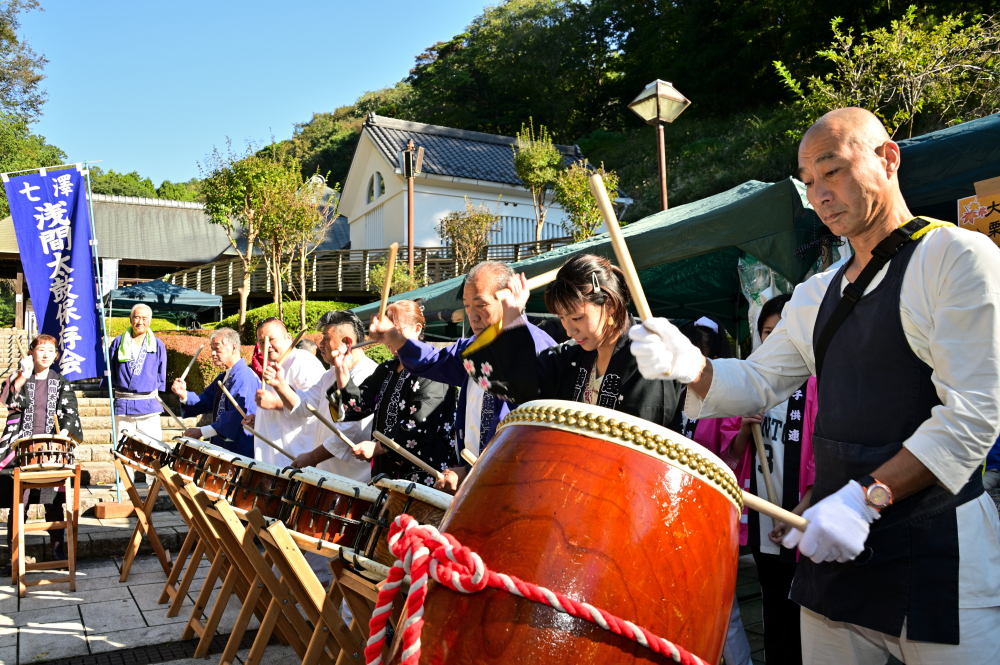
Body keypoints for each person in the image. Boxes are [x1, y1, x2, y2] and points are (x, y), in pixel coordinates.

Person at [630, 107, 1000, 664]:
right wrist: (690, 366)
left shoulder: (956, 257)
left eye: (833, 171)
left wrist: (865, 496)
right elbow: (758, 380)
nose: (820, 195)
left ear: (887, 157)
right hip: (832, 549)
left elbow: (974, 413)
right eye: (809, 183)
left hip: (937, 546)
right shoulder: (815, 291)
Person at [368, 261, 555, 492]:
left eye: (481, 305)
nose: (472, 316)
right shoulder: (472, 348)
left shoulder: (538, 346)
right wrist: (394, 338)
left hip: (516, 482)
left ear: (509, 298)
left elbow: (533, 431)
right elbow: (433, 360)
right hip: (474, 478)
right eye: (467, 306)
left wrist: (470, 472)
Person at [461, 253, 684, 427]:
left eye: (576, 317)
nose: (569, 330)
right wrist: (512, 320)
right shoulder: (572, 356)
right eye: (562, 318)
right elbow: (517, 387)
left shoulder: (649, 356)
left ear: (609, 305)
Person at [719, 293, 817, 665]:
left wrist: (797, 512)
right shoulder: (751, 387)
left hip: (802, 518)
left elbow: (822, 462)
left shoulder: (815, 383)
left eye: (782, 333)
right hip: (763, 521)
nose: (773, 340)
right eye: (767, 333)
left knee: (807, 615)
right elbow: (730, 458)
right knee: (773, 610)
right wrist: (744, 428)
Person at [328, 300, 457, 486]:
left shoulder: (433, 368)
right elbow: (351, 410)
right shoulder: (387, 369)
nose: (389, 337)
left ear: (417, 328)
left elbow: (421, 423)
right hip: (385, 472)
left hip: (423, 475)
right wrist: (342, 372)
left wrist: (378, 447)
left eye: (396, 330)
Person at [0, 334, 83, 564]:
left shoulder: (61, 382)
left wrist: (63, 435)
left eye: (50, 350)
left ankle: (58, 552)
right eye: (40, 349)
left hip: (51, 449)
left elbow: (71, 414)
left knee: (54, 501)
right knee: (19, 502)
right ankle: (13, 558)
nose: (45, 354)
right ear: (31, 352)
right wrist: (22, 375)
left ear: (56, 356)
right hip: (22, 449)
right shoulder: (20, 377)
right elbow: (7, 400)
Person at [269, 310, 378, 482]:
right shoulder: (330, 374)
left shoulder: (369, 375)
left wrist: (312, 457)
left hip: (353, 482)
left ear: (347, 342)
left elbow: (348, 431)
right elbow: (305, 405)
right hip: (326, 476)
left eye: (326, 338)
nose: (320, 344)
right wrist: (280, 385)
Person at [245, 318, 325, 466]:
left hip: (295, 459)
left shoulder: (303, 360)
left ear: (288, 337)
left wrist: (274, 403)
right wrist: (259, 419)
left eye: (271, 339)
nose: (266, 345)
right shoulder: (273, 365)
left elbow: (313, 407)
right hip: (272, 460)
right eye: (261, 342)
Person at [171, 327, 258, 457]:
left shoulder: (244, 376)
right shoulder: (224, 376)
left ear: (233, 348)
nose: (212, 353)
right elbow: (205, 400)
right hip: (225, 448)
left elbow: (236, 415)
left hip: (240, 450)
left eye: (217, 348)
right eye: (212, 349)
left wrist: (202, 431)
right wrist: (184, 395)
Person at [108, 304, 167, 441]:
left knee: (152, 450)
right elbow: (111, 370)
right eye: (137, 317)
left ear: (150, 321)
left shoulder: (158, 344)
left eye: (144, 318)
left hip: (149, 406)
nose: (140, 322)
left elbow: (161, 372)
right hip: (123, 405)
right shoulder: (118, 342)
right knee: (123, 450)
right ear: (130, 319)